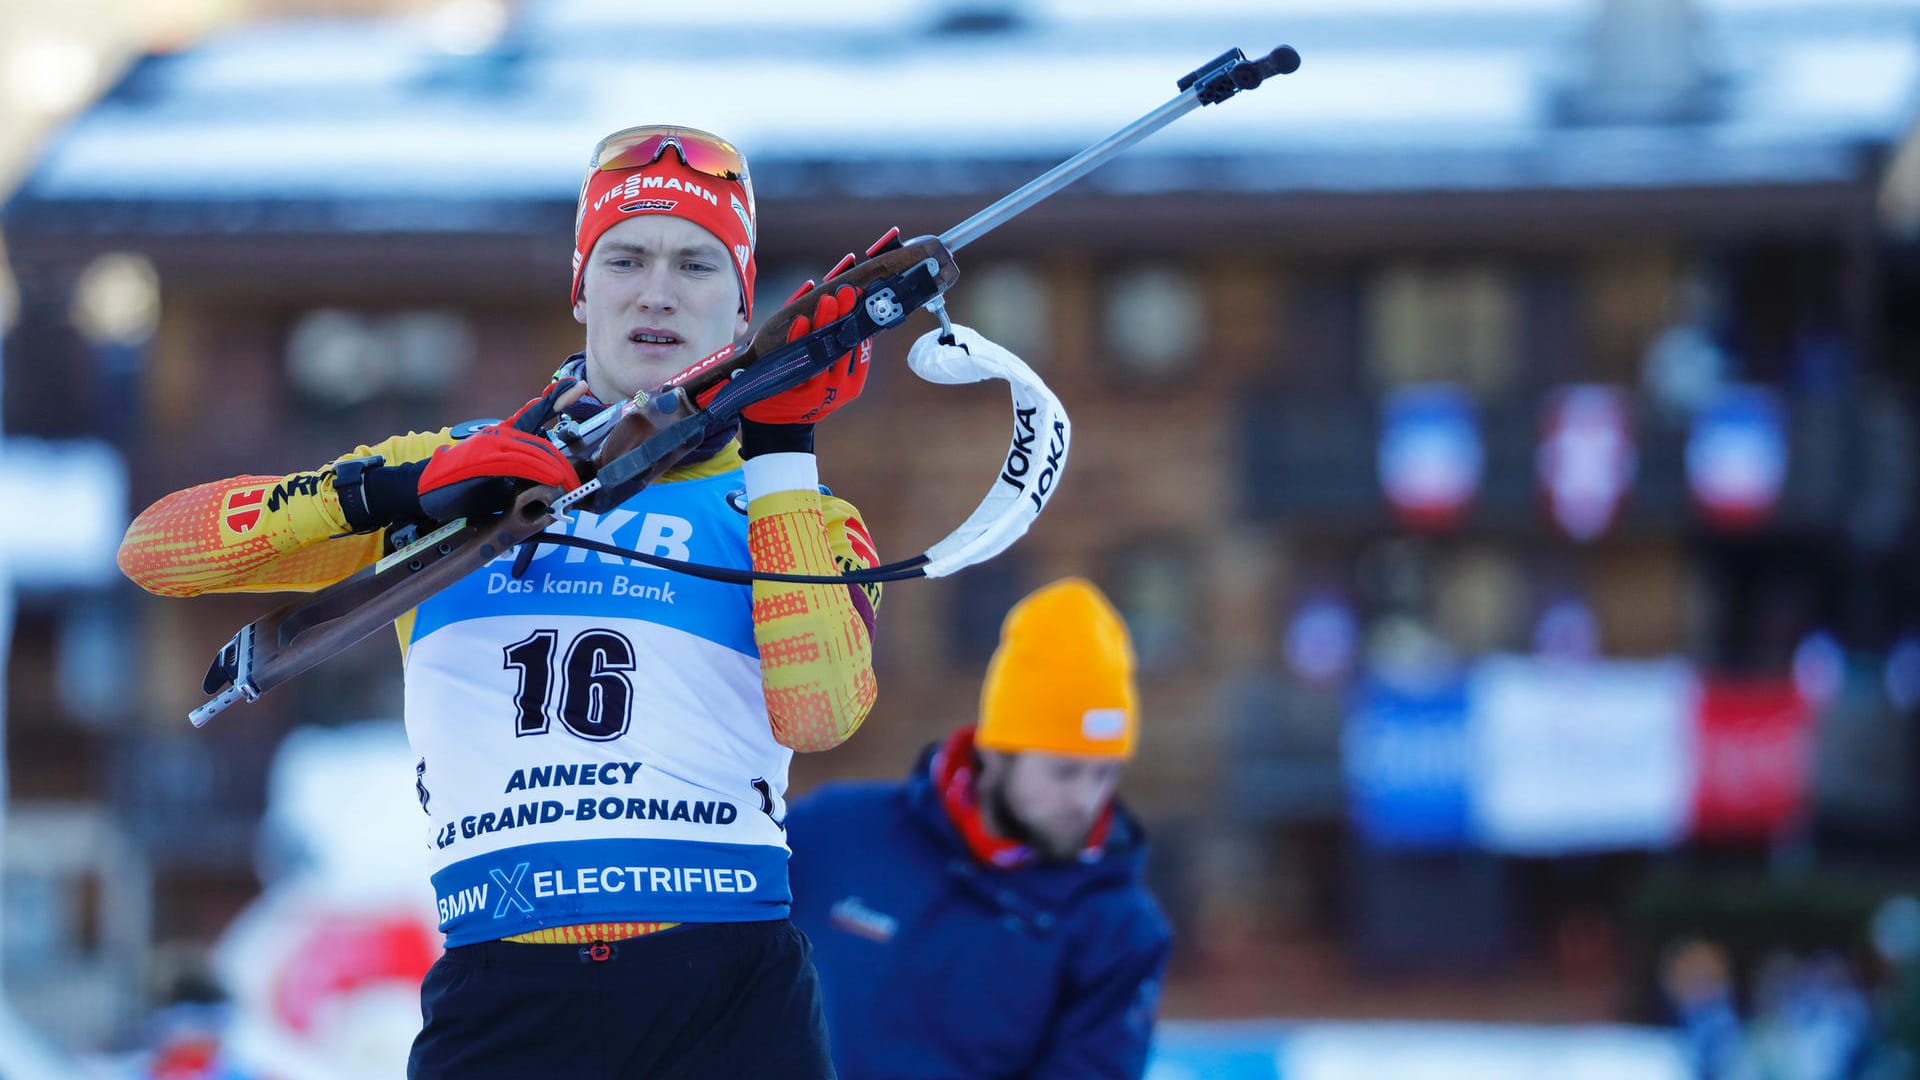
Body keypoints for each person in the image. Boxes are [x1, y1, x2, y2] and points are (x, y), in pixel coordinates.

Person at [119, 125, 887, 1079]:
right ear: (582, 286)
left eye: (697, 262)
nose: (658, 289)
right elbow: (158, 551)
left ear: (741, 302)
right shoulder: (460, 472)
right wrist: (408, 486)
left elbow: (821, 715)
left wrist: (783, 446)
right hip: (506, 985)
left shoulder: (789, 508)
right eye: (626, 257)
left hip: (728, 992)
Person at [786, 577, 1172, 1080]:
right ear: (995, 752)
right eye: (1064, 771)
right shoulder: (835, 832)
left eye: (1104, 772)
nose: (1086, 798)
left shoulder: (1116, 928)